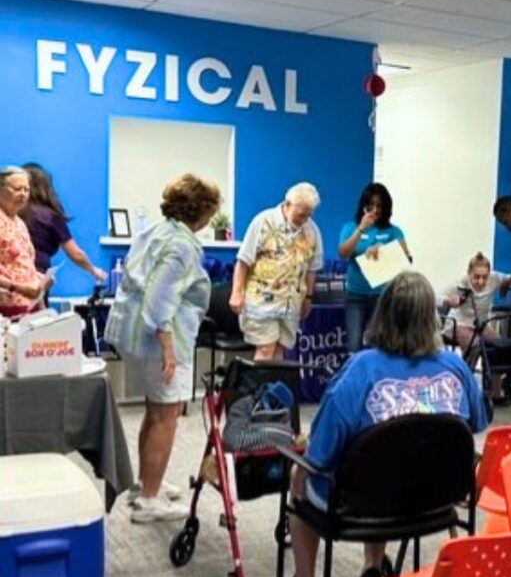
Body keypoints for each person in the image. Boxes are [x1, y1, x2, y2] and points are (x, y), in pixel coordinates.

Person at [274, 271, 487, 577]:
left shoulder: (361, 368)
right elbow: (477, 423)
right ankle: (372, 566)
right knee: (392, 461)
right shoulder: (456, 368)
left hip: (361, 500)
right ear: (430, 317)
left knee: (303, 476)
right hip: (434, 499)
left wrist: (302, 470)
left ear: (383, 314)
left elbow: (322, 449)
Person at [104, 174, 221, 523]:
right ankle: (150, 500)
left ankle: (146, 483)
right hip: (158, 341)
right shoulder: (183, 245)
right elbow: (159, 302)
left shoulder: (156, 231)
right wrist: (169, 350)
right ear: (201, 211)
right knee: (167, 415)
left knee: (154, 410)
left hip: (132, 333)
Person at [230, 182, 324, 361]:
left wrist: (308, 297)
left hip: (291, 302)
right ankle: (258, 380)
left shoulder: (312, 230)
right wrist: (236, 292)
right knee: (266, 349)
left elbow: (312, 268)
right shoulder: (263, 221)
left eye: (308, 215)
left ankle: (272, 381)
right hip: (262, 299)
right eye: (300, 215)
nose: (304, 220)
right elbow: (243, 261)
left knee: (280, 350)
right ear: (288, 204)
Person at [338, 183, 411, 354]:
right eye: (371, 205)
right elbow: (342, 253)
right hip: (355, 294)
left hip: (382, 296)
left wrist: (384, 250)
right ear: (363, 206)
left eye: (379, 206)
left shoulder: (393, 231)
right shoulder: (350, 227)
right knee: (353, 345)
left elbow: (407, 258)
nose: (375, 210)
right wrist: (360, 229)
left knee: (376, 345)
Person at [20, 163, 106, 284]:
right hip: (36, 277)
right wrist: (93, 270)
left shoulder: (11, 215)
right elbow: (75, 254)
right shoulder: (50, 217)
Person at [442, 252, 509, 386]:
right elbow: (437, 296)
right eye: (476, 277)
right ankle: (465, 381)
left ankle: (494, 390)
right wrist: (449, 301)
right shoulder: (461, 283)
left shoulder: (495, 278)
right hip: (459, 323)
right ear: (469, 274)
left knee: (499, 345)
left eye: (485, 277)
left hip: (481, 325)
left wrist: (508, 285)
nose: (481, 282)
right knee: (475, 345)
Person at [0, 166, 50, 318]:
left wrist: (40, 280)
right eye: (17, 189)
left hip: (29, 308)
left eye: (26, 190)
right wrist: (18, 287)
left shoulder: (20, 223)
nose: (23, 194)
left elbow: (23, 263)